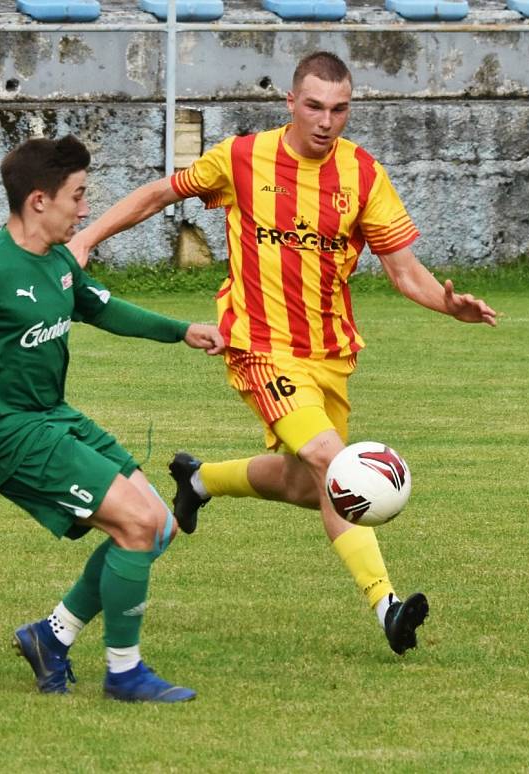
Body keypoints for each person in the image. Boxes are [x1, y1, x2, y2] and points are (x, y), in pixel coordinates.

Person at [66, 51, 498, 656]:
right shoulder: (242, 159)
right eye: (315, 106)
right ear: (290, 103)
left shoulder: (363, 176)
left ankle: (200, 479)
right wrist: (85, 236)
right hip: (259, 347)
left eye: (339, 109)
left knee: (308, 484)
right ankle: (387, 608)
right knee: (335, 464)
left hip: (329, 353)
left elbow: (404, 272)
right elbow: (161, 193)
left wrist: (447, 305)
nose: (326, 121)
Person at [0, 135, 224, 702]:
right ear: (39, 200)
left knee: (158, 525)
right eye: (78, 196)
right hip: (6, 435)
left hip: (52, 417)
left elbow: (102, 308)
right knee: (135, 525)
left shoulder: (59, 260)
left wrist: (182, 330)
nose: (86, 210)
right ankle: (125, 672)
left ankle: (51, 637)